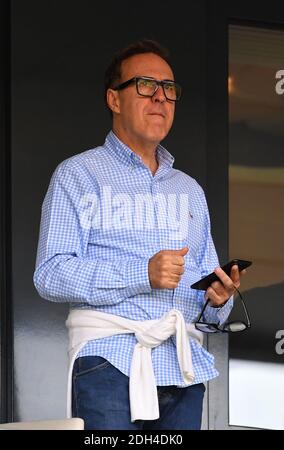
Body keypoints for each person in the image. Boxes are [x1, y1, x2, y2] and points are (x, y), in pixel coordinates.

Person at [33, 39, 246, 430]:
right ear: (114, 100)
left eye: (169, 89)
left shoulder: (189, 190)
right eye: (145, 86)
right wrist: (141, 273)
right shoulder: (78, 175)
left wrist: (218, 299)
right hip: (109, 362)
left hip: (182, 368)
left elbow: (206, 300)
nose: (161, 98)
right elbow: (50, 273)